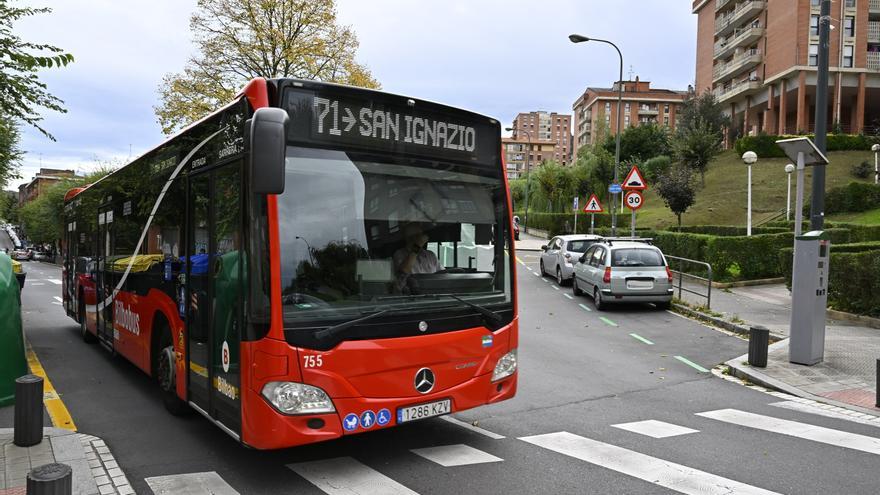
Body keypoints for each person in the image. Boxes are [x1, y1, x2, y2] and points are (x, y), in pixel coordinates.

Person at [393, 223, 440, 290]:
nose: (418, 239)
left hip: (433, 294)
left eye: (419, 235)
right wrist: (417, 246)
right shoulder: (399, 254)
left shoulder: (431, 255)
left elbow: (441, 274)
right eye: (412, 237)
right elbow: (403, 272)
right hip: (412, 296)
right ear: (407, 238)